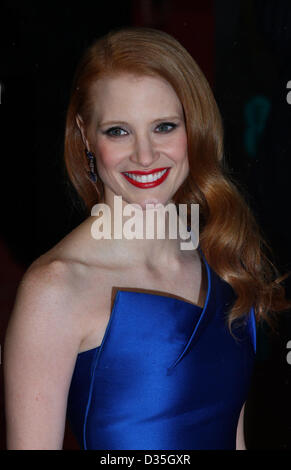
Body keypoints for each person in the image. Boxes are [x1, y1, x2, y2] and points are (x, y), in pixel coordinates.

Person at [4, 27, 290, 450]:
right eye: (118, 131)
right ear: (85, 135)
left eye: (164, 127)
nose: (144, 155)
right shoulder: (56, 288)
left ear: (195, 127)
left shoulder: (221, 258)